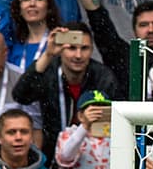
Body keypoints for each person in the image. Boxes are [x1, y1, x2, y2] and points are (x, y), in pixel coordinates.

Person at [13, 23, 120, 159]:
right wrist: (48, 54)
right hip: (52, 157)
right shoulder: (49, 71)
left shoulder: (103, 77)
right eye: (72, 48)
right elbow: (21, 96)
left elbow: (116, 123)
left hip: (93, 159)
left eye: (85, 48)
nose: (78, 55)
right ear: (61, 49)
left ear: (92, 49)